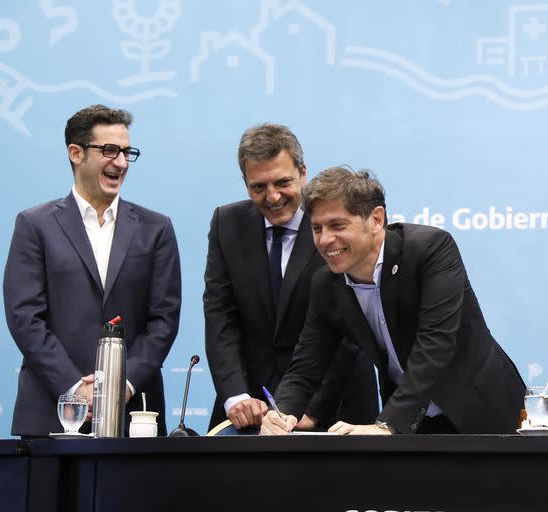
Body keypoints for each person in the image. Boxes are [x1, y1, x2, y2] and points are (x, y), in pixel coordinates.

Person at [262, 166, 525, 435]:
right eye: (317, 228)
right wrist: (281, 413)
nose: (325, 239)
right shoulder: (326, 284)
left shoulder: (430, 249)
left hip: (482, 410)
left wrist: (387, 425)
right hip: (412, 423)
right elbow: (306, 366)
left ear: (376, 219)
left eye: (338, 225)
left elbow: (434, 346)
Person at [3, 104, 181, 437]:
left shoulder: (155, 229)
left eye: (128, 152)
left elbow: (164, 320)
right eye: (109, 150)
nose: (122, 163)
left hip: (134, 416)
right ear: (76, 153)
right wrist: (74, 387)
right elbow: (25, 316)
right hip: (51, 412)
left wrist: (120, 387)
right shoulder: (34, 225)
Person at [204, 123, 378, 432]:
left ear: (302, 173)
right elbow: (220, 317)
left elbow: (351, 331)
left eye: (282, 182)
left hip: (335, 406)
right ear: (245, 183)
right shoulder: (226, 224)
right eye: (258, 187)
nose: (272, 197)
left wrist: (309, 408)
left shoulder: (335, 225)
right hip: (249, 409)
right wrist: (235, 395)